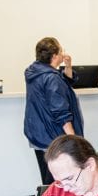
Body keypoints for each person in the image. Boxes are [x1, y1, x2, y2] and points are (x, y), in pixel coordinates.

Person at [23, 37, 83, 185]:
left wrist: (68, 66)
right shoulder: (51, 78)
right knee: (56, 183)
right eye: (61, 50)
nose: (63, 52)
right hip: (53, 137)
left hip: (38, 134)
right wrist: (74, 140)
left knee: (47, 180)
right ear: (55, 56)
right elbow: (61, 112)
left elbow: (65, 83)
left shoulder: (34, 72)